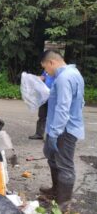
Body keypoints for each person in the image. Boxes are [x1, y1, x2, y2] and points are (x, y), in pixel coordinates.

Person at [39, 49, 85, 212]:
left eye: (45, 68)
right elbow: (81, 101)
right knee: (53, 158)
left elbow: (63, 108)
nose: (46, 72)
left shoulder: (64, 78)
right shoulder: (74, 73)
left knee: (65, 164)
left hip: (64, 129)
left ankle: (64, 202)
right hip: (65, 126)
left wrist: (55, 132)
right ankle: (56, 191)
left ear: (51, 62)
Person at [29, 70, 54, 140]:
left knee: (53, 117)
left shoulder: (59, 70)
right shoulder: (47, 70)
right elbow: (42, 77)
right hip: (44, 96)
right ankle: (39, 134)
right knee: (42, 115)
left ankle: (52, 137)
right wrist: (33, 78)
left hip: (53, 96)